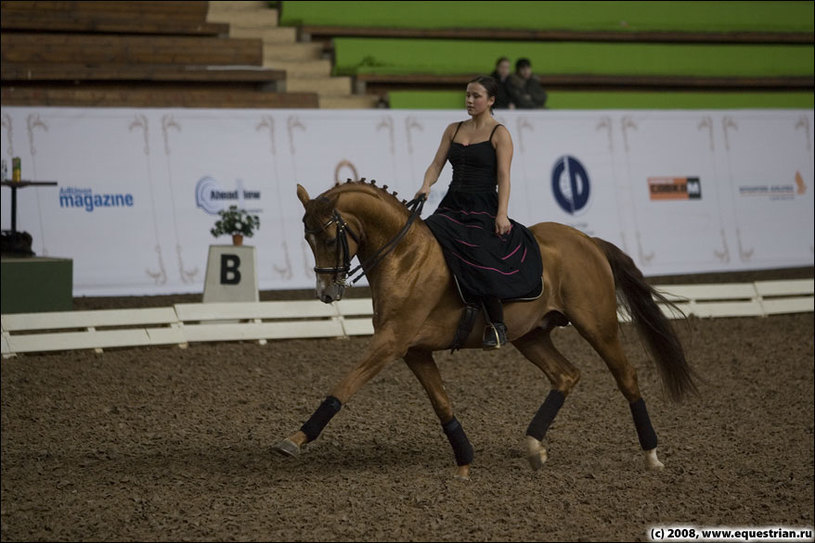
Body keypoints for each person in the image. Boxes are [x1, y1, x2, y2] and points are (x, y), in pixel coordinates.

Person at [415, 75, 542, 350]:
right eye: (467, 95)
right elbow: (436, 165)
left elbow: (504, 177)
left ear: (491, 100)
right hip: (452, 203)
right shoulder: (453, 129)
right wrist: (426, 185)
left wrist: (502, 213)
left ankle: (497, 325)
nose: (470, 101)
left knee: (480, 253)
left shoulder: (500, 134)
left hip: (483, 206)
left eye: (476, 96)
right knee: (424, 237)